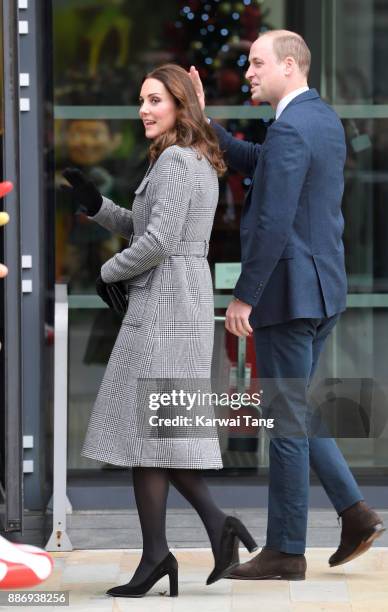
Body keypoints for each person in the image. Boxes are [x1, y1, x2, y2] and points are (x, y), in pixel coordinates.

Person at [190, 30, 385, 581]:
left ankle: (285, 550)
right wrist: (206, 123)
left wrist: (244, 297)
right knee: (295, 407)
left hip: (288, 296)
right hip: (320, 291)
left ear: (290, 66)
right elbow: (260, 161)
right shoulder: (317, 119)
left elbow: (273, 220)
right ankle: (354, 512)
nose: (248, 72)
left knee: (285, 420)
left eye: (256, 63)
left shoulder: (294, 126)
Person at [62, 63, 257, 598]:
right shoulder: (186, 157)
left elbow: (160, 241)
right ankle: (189, 541)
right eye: (141, 100)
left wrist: (107, 270)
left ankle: (180, 544)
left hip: (168, 306)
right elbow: (147, 228)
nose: (144, 109)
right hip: (177, 300)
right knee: (156, 434)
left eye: (154, 100)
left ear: (179, 105)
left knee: (153, 432)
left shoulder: (176, 159)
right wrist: (98, 207)